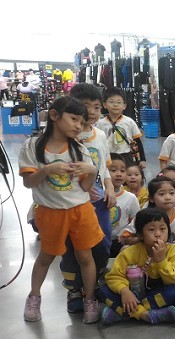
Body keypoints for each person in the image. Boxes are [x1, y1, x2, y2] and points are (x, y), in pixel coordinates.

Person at [19, 96, 103, 324]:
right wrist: (48, 169)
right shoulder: (33, 146)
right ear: (54, 115)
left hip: (80, 210)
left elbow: (85, 187)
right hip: (50, 212)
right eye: (74, 119)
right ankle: (34, 297)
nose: (78, 126)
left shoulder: (80, 149)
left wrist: (92, 171)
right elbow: (28, 182)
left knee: (85, 256)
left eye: (82, 122)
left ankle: (89, 299)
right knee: (46, 256)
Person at [60, 83, 116, 313]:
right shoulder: (64, 136)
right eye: (85, 106)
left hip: (99, 200)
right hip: (71, 201)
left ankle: (94, 282)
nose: (92, 112)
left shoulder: (100, 135)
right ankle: (74, 288)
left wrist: (109, 187)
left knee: (102, 243)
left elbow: (104, 167)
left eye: (96, 107)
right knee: (71, 247)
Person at [101, 207, 175, 325]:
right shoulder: (129, 252)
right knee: (103, 291)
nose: (158, 234)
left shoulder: (173, 250)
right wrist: (124, 291)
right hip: (132, 292)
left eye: (162, 229)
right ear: (140, 234)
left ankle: (125, 313)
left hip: (157, 292)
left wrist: (161, 261)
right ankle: (148, 315)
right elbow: (114, 276)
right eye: (151, 229)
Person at [120, 176, 175, 263]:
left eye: (172, 193)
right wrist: (144, 239)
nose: (168, 197)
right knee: (125, 249)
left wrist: (171, 244)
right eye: (161, 194)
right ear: (151, 198)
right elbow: (126, 238)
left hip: (173, 253)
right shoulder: (143, 216)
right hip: (146, 252)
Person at [96, 87, 147, 169]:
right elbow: (98, 142)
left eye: (119, 102)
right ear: (104, 105)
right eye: (111, 102)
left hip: (126, 156)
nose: (115, 105)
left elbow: (138, 141)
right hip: (108, 156)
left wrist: (142, 159)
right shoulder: (100, 123)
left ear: (124, 106)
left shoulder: (129, 122)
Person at [107, 153, 140, 257]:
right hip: (99, 240)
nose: (119, 174)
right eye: (113, 170)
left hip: (119, 241)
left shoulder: (130, 198)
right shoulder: (97, 196)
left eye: (122, 171)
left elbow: (136, 222)